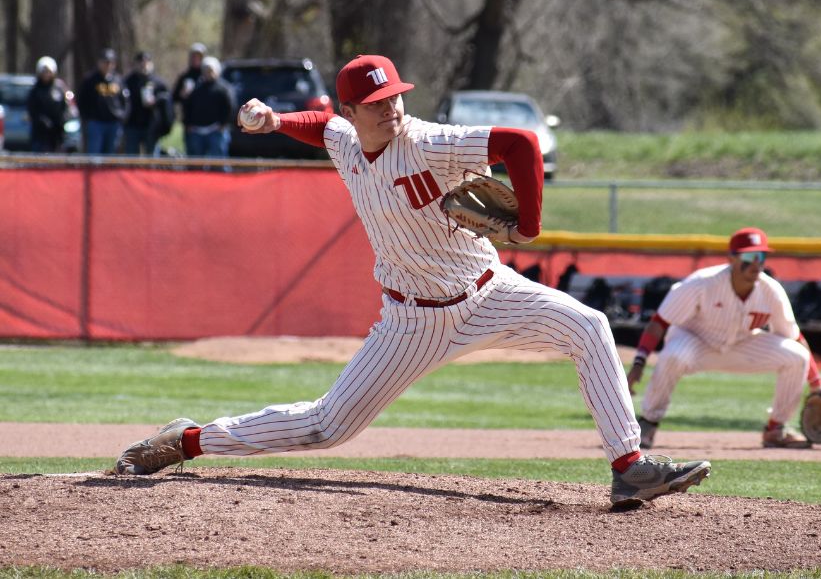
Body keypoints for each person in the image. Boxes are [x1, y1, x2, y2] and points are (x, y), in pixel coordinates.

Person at [114, 54, 711, 508]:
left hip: (490, 291)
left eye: (395, 97)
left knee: (590, 325)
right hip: (412, 321)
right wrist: (274, 120)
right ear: (354, 112)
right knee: (328, 425)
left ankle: (628, 466)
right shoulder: (346, 141)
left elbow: (521, 144)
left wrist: (529, 224)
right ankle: (189, 440)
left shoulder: (430, 142)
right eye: (376, 104)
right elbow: (320, 126)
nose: (390, 109)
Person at [627, 226, 821, 449]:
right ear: (731, 258)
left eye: (762, 256)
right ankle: (649, 421)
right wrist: (639, 362)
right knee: (673, 355)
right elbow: (659, 322)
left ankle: (775, 430)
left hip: (742, 345)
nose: (756, 263)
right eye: (749, 256)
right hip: (695, 342)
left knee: (797, 356)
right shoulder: (701, 282)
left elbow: (794, 336)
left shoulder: (771, 291)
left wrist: (818, 387)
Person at [76, 48, 129, 154]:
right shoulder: (90, 80)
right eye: (105, 62)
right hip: (96, 123)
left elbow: (126, 101)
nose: (107, 65)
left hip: (114, 123)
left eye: (110, 62)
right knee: (94, 154)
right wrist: (87, 117)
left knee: (111, 154)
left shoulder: (118, 80)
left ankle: (108, 172)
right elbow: (81, 100)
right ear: (99, 62)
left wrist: (122, 115)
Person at [182, 56, 235, 158]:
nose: (208, 73)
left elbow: (230, 107)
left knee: (218, 162)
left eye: (211, 70)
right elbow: (187, 106)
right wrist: (188, 123)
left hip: (216, 131)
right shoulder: (195, 88)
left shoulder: (224, 89)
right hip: (197, 131)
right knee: (196, 164)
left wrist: (223, 124)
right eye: (206, 70)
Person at [122, 51, 173, 156]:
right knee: (131, 157)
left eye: (146, 62)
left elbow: (167, 102)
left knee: (152, 157)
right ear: (135, 64)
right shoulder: (127, 82)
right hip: (132, 125)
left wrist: (156, 100)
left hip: (152, 126)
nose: (143, 65)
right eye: (140, 62)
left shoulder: (159, 83)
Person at [26, 56, 70, 152]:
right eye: (44, 71)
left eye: (49, 72)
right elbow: (32, 110)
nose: (46, 74)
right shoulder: (35, 90)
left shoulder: (59, 88)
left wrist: (61, 121)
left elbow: (65, 107)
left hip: (57, 133)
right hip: (40, 133)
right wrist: (43, 121)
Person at [172, 42, 207, 154]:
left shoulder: (207, 76)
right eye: (194, 56)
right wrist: (182, 94)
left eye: (199, 57)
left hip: (208, 124)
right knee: (193, 156)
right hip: (191, 124)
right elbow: (174, 97)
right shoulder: (185, 76)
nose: (196, 59)